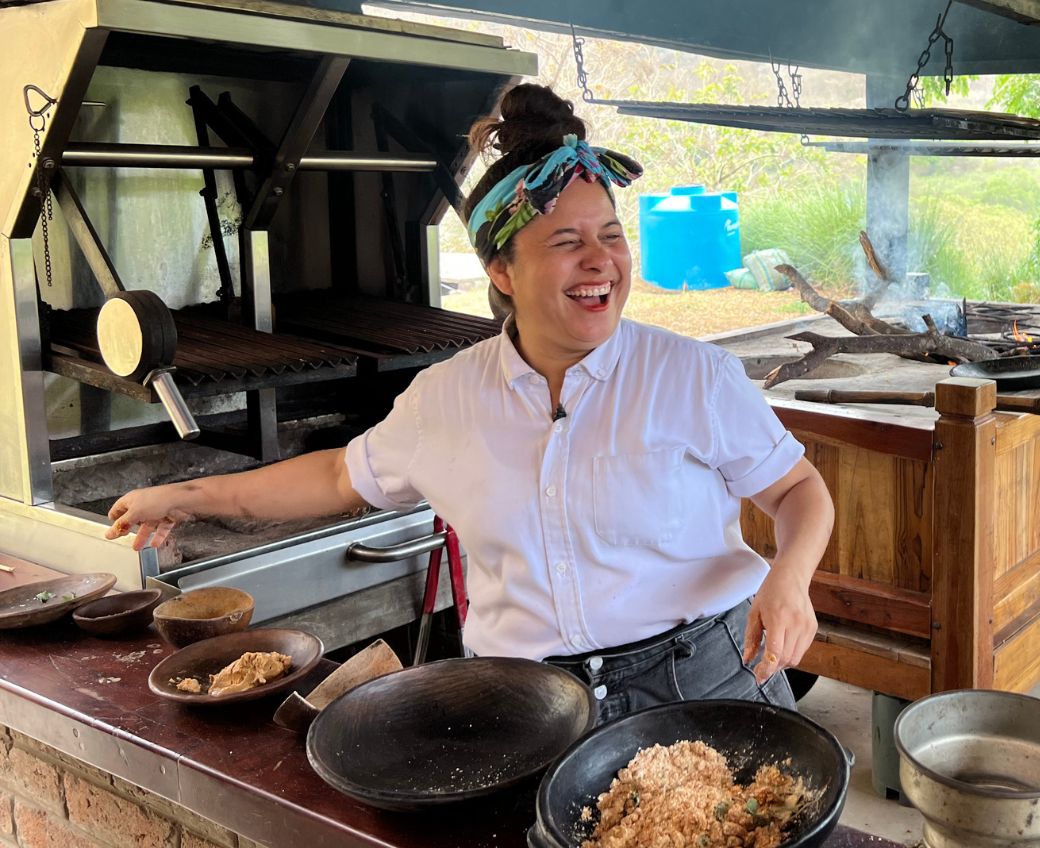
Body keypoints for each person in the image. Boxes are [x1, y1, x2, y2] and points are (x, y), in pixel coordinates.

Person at [104, 84, 834, 723]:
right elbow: (334, 479)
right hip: (523, 700)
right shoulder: (446, 399)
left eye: (612, 236)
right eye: (567, 241)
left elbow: (800, 491)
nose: (601, 261)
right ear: (502, 272)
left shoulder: (691, 376)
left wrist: (789, 578)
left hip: (701, 676)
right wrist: (190, 495)